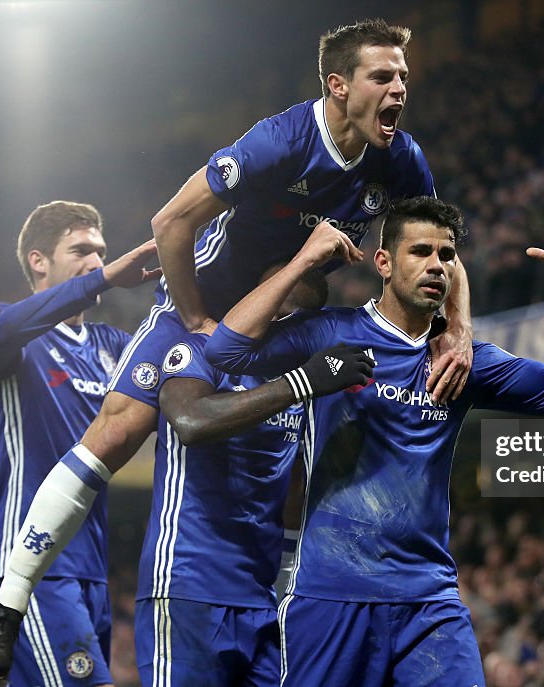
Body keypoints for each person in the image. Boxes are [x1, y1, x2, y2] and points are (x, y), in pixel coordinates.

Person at [0, 18, 477, 677]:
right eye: (384, 75)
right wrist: (198, 315)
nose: (400, 87)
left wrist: (459, 328)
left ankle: (294, 589)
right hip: (203, 303)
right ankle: (8, 606)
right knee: (117, 429)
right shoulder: (280, 141)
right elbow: (170, 222)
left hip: (288, 311)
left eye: (404, 76)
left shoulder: (402, 160)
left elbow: (439, 245)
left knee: (304, 445)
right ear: (339, 85)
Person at [203, 196, 544, 686]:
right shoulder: (332, 332)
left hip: (428, 601)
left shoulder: (461, 362)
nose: (436, 265)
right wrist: (305, 261)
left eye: (446, 255)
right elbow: (225, 350)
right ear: (384, 263)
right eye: (420, 252)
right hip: (331, 593)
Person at [136, 267, 373, 686]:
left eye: (304, 317)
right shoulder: (199, 350)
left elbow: (296, 485)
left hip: (263, 594)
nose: (288, 324)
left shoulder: (304, 379)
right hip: (190, 586)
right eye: (283, 310)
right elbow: (190, 421)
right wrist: (299, 383)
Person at [0, 201, 160, 682]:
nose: (96, 261)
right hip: (28, 566)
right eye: (80, 250)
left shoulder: (111, 345)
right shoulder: (2, 327)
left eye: (101, 252)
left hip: (92, 567)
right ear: (38, 260)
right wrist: (107, 278)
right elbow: (6, 329)